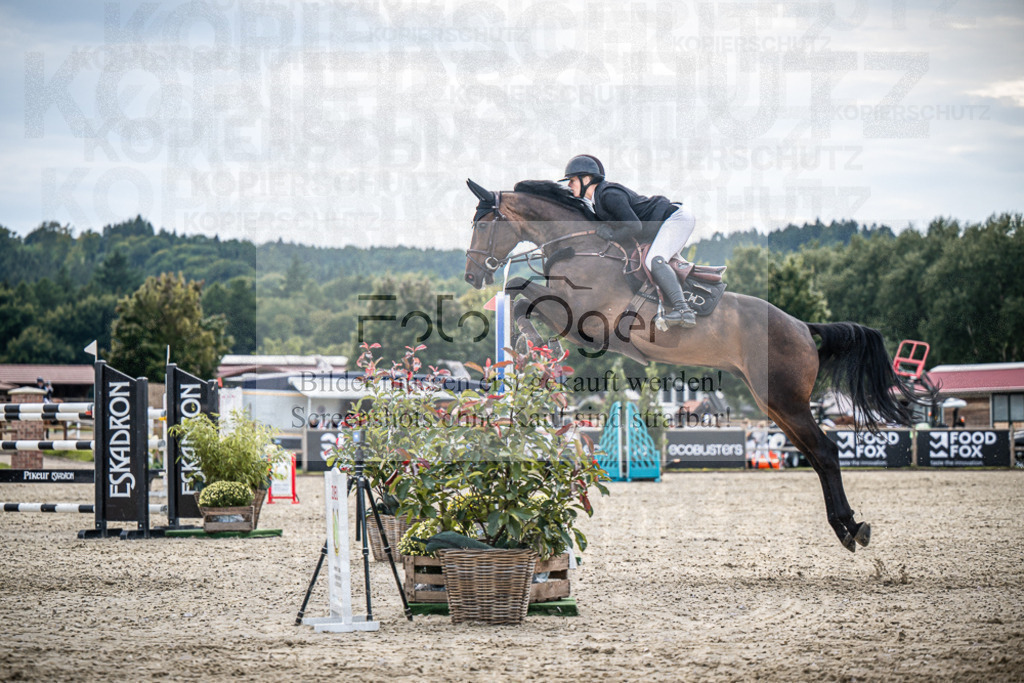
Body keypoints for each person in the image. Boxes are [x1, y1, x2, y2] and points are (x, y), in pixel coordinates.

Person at [561, 154, 697, 327]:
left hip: (675, 218)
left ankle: (683, 311)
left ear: (586, 179)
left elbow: (634, 227)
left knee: (654, 260)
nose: (569, 185)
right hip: (661, 225)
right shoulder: (598, 201)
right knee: (656, 263)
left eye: (572, 180)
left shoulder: (609, 194)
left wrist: (611, 235)